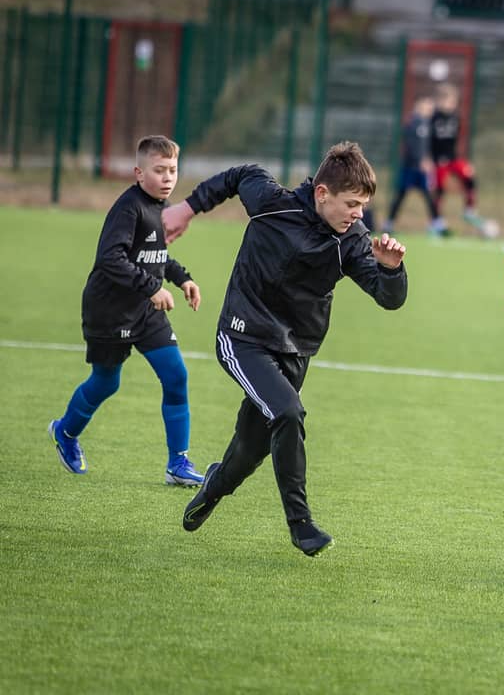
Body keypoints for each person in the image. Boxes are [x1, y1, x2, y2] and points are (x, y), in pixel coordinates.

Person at [165, 142, 408, 557]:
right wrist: (187, 208)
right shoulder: (271, 203)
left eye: (363, 206)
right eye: (352, 204)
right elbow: (239, 174)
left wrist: (391, 270)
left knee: (250, 450)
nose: (358, 214)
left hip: (295, 350)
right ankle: (301, 525)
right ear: (322, 194)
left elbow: (389, 299)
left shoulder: (352, 241)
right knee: (288, 412)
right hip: (243, 337)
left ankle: (214, 487)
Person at [48, 135, 204, 486]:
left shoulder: (163, 208)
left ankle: (178, 463)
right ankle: (65, 432)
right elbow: (110, 258)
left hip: (145, 311)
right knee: (106, 382)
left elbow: (156, 256)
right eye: (159, 170)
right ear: (139, 173)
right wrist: (152, 288)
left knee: (176, 376)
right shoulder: (128, 208)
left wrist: (182, 279)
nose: (167, 177)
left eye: (172, 170)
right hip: (109, 311)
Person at [431, 83, 488, 236]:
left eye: (452, 101)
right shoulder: (433, 118)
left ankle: (469, 210)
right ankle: (437, 221)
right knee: (439, 189)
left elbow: (460, 141)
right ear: (439, 101)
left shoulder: (456, 118)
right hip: (438, 160)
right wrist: (429, 159)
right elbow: (428, 141)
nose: (449, 104)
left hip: (453, 158)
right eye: (446, 101)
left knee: (469, 177)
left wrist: (465, 160)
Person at [385, 96, 443, 235]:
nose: (430, 110)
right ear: (420, 106)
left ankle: (437, 224)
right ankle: (389, 224)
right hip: (411, 167)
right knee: (402, 195)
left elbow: (425, 146)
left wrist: (428, 159)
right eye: (428, 106)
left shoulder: (426, 124)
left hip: (420, 168)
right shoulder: (415, 122)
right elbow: (411, 145)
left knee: (428, 195)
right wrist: (420, 160)